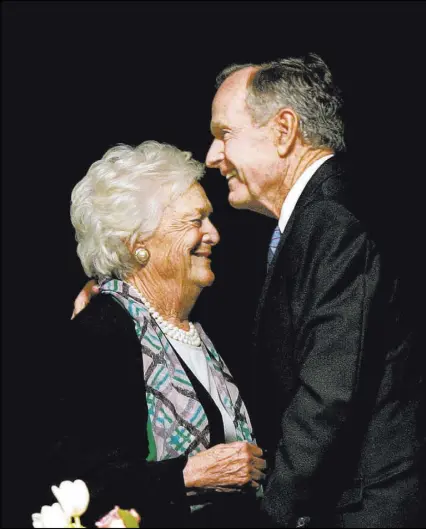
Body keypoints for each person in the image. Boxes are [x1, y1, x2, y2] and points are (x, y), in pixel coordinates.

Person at [74, 54, 425, 527]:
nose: (214, 155)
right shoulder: (310, 224)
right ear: (140, 243)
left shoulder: (332, 221)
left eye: (225, 134)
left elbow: (329, 395)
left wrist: (270, 515)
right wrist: (113, 299)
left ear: (283, 130)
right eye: (194, 220)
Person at [49, 140, 267, 529]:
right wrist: (187, 474)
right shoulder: (102, 333)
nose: (213, 234)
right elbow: (83, 485)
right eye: (195, 220)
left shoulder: (207, 324)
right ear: (139, 244)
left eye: (210, 219)